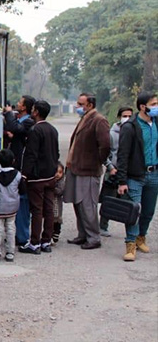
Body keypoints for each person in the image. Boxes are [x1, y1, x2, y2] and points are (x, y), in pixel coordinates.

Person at [64, 93, 110, 250]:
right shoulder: (84, 118)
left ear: (89, 105)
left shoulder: (99, 120)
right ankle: (83, 234)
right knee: (78, 203)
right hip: (76, 168)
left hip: (88, 170)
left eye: (80, 103)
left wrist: (96, 160)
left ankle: (93, 237)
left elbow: (105, 145)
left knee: (88, 204)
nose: (77, 106)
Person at [116, 92, 158, 261]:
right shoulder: (130, 126)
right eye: (153, 104)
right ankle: (130, 244)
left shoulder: (156, 123)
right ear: (143, 107)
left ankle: (141, 237)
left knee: (148, 211)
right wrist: (122, 180)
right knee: (135, 210)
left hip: (154, 173)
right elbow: (123, 154)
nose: (156, 107)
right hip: (135, 175)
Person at [19, 100, 60, 254]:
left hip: (37, 178)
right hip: (50, 176)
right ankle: (46, 241)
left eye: (33, 109)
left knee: (37, 210)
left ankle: (34, 243)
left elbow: (31, 155)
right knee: (49, 210)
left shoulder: (35, 130)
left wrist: (24, 174)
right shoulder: (53, 130)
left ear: (36, 112)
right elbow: (56, 153)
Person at [3, 95, 36, 246]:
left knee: (22, 203)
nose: (17, 104)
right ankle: (15, 234)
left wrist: (9, 114)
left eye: (20, 103)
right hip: (15, 164)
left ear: (25, 107)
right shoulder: (20, 121)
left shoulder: (28, 121)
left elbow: (15, 128)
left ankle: (22, 237)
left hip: (22, 167)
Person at [0, 149, 26, 264]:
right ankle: (10, 252)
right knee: (11, 228)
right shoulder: (18, 175)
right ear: (13, 161)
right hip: (12, 207)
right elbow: (22, 191)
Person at [99, 107, 134, 237]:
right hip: (113, 171)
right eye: (125, 116)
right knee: (108, 200)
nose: (127, 118)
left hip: (129, 172)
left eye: (130, 116)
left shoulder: (134, 132)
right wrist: (110, 167)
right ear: (119, 117)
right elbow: (105, 153)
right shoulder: (112, 134)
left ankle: (131, 231)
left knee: (129, 201)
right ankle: (103, 226)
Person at [52, 162, 66, 245]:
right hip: (51, 204)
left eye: (60, 173)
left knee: (57, 220)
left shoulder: (61, 182)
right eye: (56, 172)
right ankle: (51, 234)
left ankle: (56, 234)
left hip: (57, 203)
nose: (58, 175)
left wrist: (52, 187)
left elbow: (60, 191)